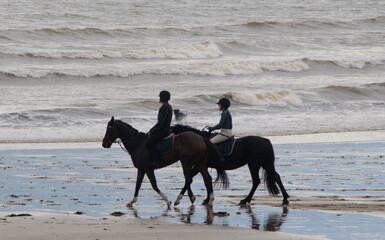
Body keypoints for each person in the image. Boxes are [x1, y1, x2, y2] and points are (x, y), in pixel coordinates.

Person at [146, 90, 173, 168]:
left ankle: (156, 162)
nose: (159, 98)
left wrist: (152, 131)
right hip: (166, 130)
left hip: (163, 131)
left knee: (149, 143)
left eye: (160, 97)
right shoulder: (169, 106)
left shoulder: (164, 107)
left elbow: (160, 123)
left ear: (163, 97)